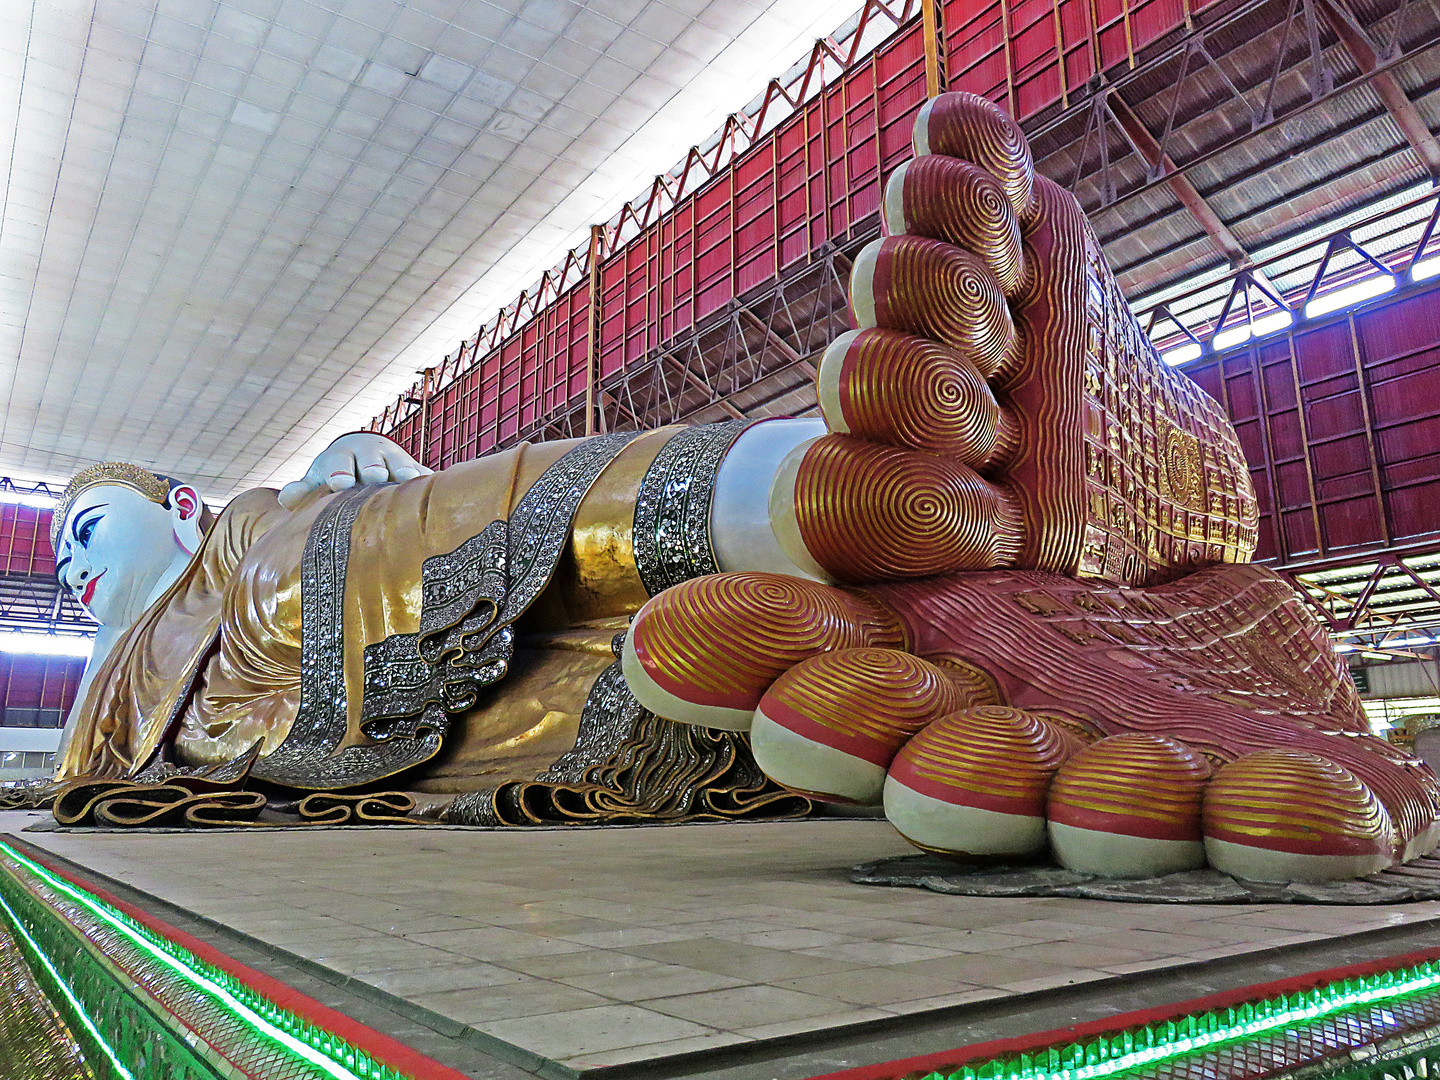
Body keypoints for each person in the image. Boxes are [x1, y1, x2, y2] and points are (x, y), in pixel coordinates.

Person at [48, 92, 1438, 880]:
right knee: (682, 687)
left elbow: (406, 521)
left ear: (177, 509)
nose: (73, 577)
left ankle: (838, 490)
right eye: (59, 569)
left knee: (399, 542)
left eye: (88, 532)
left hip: (321, 590)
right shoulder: (123, 722)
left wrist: (326, 480)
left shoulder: (237, 550)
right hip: (401, 747)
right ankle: (973, 605)